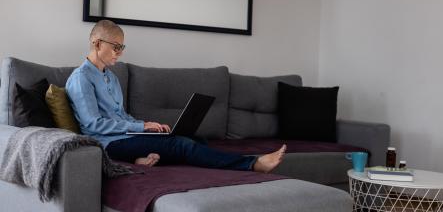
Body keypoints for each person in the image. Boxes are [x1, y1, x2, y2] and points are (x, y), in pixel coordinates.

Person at [66, 20, 286, 172]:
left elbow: (121, 116)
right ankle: (252, 164)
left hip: (126, 137)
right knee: (183, 145)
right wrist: (142, 128)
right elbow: (93, 125)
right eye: (115, 47)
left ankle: (145, 157)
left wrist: (148, 125)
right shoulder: (81, 78)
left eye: (122, 47)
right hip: (108, 144)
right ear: (96, 43)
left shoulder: (111, 77)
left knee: (197, 139)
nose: (120, 52)